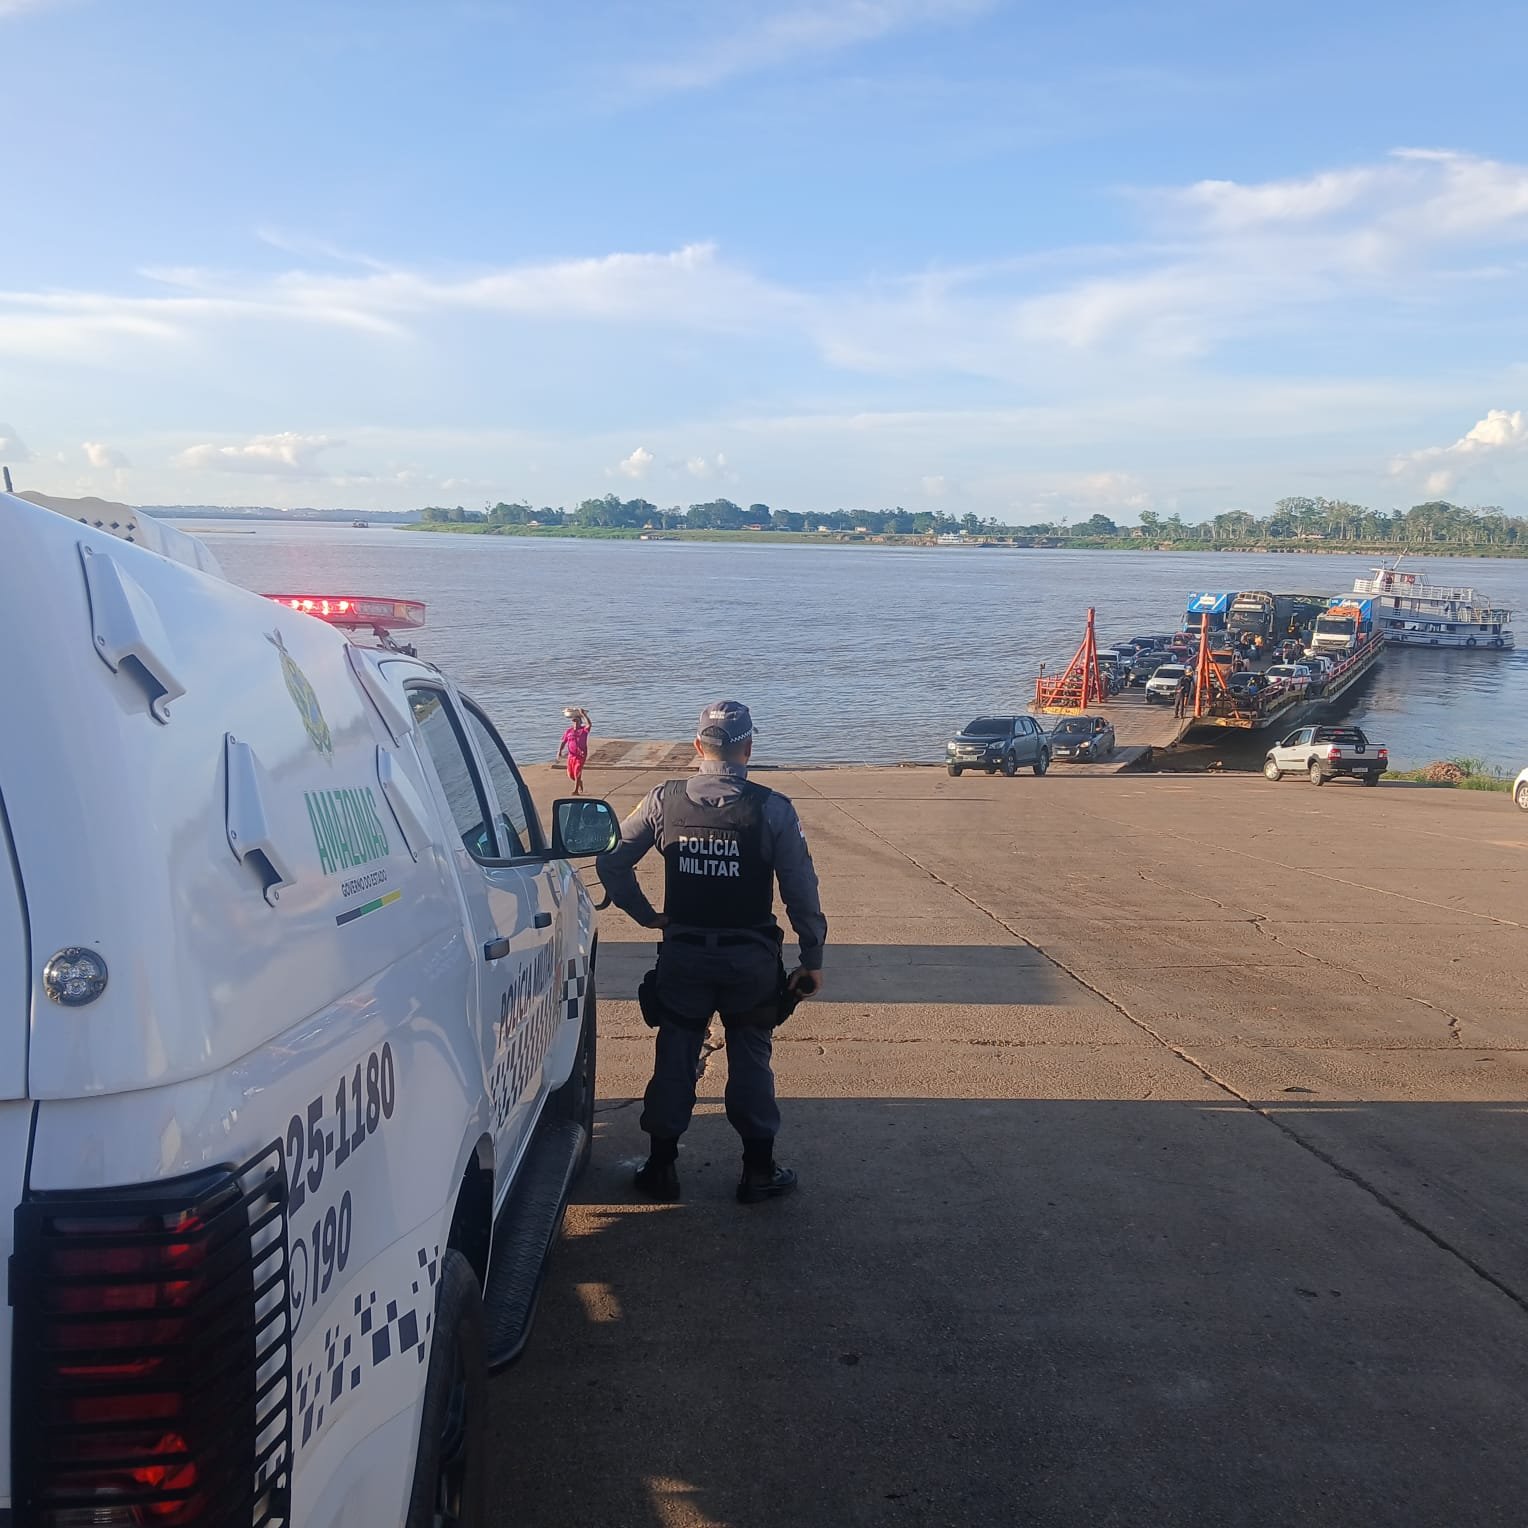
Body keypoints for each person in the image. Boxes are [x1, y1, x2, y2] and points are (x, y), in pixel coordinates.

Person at [597, 700, 826, 1205]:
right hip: (750, 962)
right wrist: (812, 958)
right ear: (749, 747)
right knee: (751, 1059)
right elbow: (800, 890)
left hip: (684, 959)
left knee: (674, 1056)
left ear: (698, 745)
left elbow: (611, 862)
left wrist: (646, 915)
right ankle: (758, 1170)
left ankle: (661, 1168)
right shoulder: (773, 808)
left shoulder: (663, 801)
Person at [557, 707, 591, 796]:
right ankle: (579, 782)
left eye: (577, 721)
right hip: (571, 755)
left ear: (580, 722)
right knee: (570, 775)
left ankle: (576, 791)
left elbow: (589, 724)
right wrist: (559, 751)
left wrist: (583, 715)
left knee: (577, 771)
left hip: (581, 755)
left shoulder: (584, 730)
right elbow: (563, 742)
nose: (575, 723)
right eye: (574, 721)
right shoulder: (569, 731)